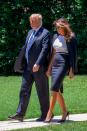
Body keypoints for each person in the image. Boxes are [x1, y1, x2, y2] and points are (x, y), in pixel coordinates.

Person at [9, 14, 51, 122]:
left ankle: (46, 114)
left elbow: (45, 49)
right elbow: (26, 48)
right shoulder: (30, 32)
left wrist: (38, 63)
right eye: (30, 20)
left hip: (39, 68)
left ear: (39, 21)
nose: (30, 22)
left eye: (33, 21)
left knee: (42, 91)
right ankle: (20, 114)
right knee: (24, 90)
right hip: (28, 68)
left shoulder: (45, 33)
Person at [45, 18, 77, 123]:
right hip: (55, 63)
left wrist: (72, 69)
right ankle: (64, 112)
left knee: (54, 88)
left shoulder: (71, 37)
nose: (57, 29)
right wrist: (49, 68)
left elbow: (74, 54)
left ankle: (49, 113)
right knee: (56, 90)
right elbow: (53, 53)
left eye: (59, 27)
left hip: (64, 63)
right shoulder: (55, 36)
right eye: (56, 27)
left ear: (64, 26)